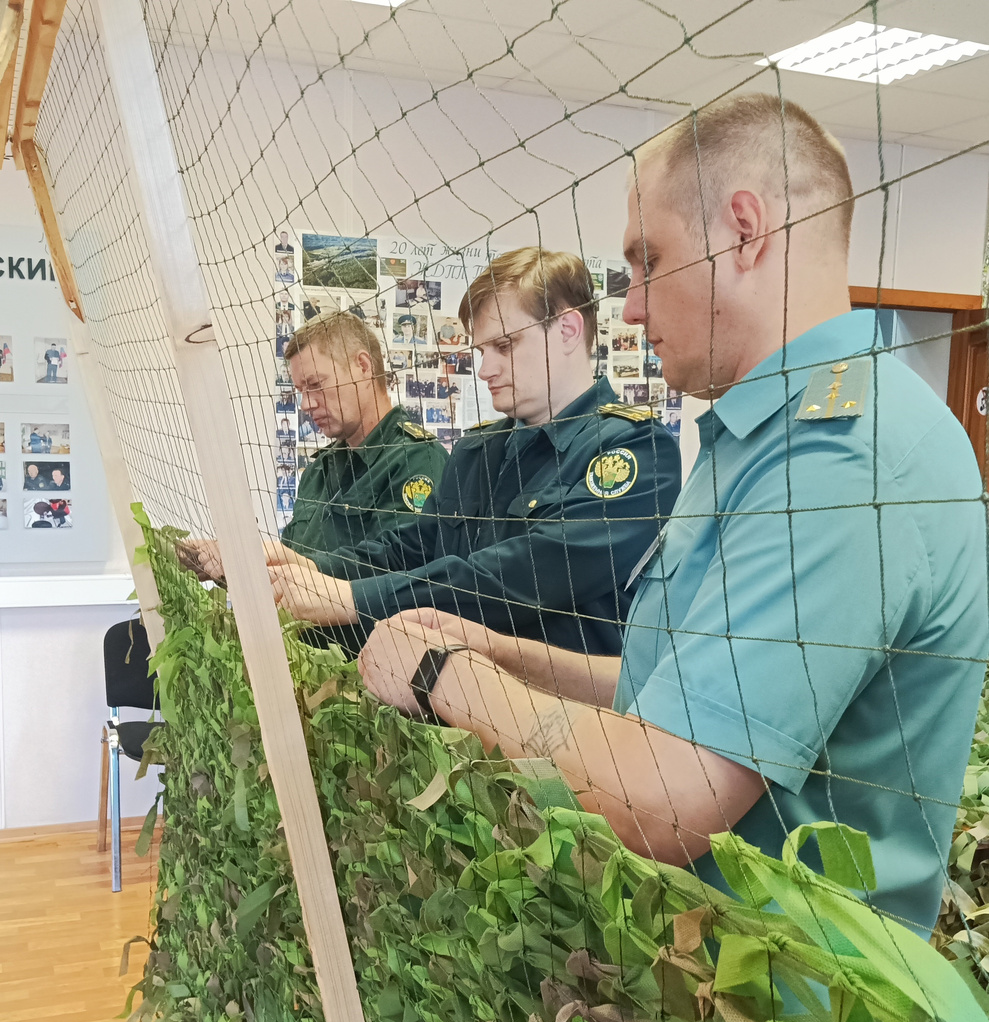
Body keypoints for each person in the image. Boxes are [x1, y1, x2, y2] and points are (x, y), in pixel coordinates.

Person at [355, 95, 989, 941]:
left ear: (744, 232)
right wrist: (500, 652)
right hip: (692, 963)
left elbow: (664, 796)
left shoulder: (842, 457)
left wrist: (442, 675)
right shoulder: (761, 439)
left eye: (648, 262)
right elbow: (685, 693)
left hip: (784, 995)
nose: (631, 309)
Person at [265, 247, 681, 656]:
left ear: (568, 330)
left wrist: (352, 598)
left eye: (505, 346)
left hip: (559, 697)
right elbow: (412, 545)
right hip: (450, 687)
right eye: (483, 351)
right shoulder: (477, 450)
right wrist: (311, 569)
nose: (485, 370)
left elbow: (521, 574)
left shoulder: (635, 449)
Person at [188, 310, 449, 628]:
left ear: (362, 366)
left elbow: (405, 573)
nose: (306, 404)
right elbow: (288, 573)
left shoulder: (416, 459)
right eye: (301, 390)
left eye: (315, 384)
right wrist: (235, 561)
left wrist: (306, 567)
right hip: (300, 650)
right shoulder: (319, 470)